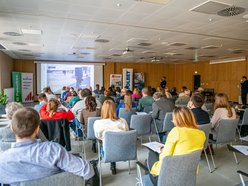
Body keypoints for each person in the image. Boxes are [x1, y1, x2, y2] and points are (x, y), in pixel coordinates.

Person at [0, 108, 94, 184]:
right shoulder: (53, 150)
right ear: (37, 129)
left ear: (12, 128)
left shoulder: (3, 160)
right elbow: (87, 170)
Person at [148, 107, 205, 185]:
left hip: (167, 177)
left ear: (178, 120)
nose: (172, 121)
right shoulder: (201, 134)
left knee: (151, 155)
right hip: (188, 174)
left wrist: (162, 151)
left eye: (173, 119)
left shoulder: (176, 131)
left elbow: (166, 156)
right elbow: (186, 149)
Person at [94, 100, 129, 175]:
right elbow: (127, 133)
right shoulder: (123, 121)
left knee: (106, 143)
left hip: (107, 152)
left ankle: (111, 164)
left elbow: (98, 136)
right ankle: (113, 165)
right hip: (125, 151)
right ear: (114, 109)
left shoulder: (98, 123)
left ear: (103, 110)